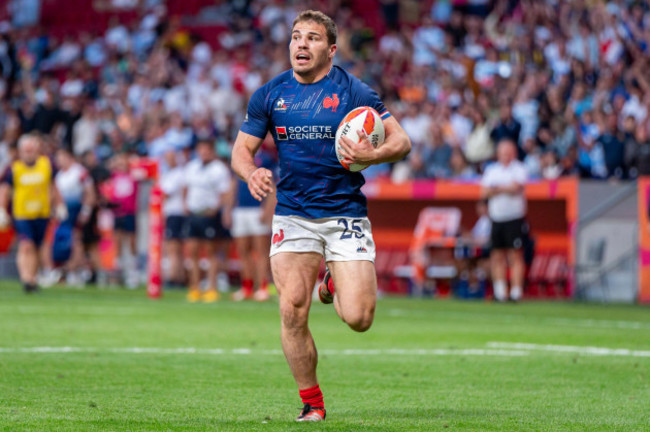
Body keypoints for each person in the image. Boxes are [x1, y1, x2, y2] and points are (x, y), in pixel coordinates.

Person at [231, 10, 410, 422]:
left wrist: (372, 154)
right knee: (292, 306)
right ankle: (312, 403)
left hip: (344, 213)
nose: (301, 44)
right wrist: (251, 171)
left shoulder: (353, 91)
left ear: (330, 50)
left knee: (359, 318)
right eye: (296, 37)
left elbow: (401, 141)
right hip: (293, 214)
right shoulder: (270, 94)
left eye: (311, 38)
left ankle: (331, 280)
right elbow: (241, 150)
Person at [0, 134, 67, 293]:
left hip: (41, 212)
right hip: (22, 213)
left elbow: (52, 186)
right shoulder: (14, 168)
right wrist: (2, 210)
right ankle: (26, 279)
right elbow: (5, 191)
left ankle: (33, 278)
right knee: (26, 245)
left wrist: (59, 204)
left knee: (38, 247)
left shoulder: (46, 165)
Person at [183, 139, 232, 303]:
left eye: (206, 150)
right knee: (193, 251)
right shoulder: (192, 167)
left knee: (211, 252)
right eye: (201, 150)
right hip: (194, 213)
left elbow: (224, 192)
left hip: (209, 215)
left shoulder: (219, 169)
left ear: (212, 151)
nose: (203, 153)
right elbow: (186, 187)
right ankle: (195, 287)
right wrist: (185, 203)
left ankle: (211, 288)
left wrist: (216, 208)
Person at [480, 138, 529, 302]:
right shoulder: (492, 170)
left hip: (514, 218)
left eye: (508, 152)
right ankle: (500, 292)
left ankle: (516, 292)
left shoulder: (519, 168)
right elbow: (484, 192)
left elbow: (516, 187)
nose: (505, 155)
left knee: (515, 255)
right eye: (503, 152)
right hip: (497, 218)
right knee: (497, 255)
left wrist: (497, 188)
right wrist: (504, 188)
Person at [230, 144, 276, 302]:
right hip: (241, 209)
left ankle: (262, 286)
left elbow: (272, 185)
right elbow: (234, 184)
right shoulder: (238, 158)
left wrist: (267, 209)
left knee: (261, 250)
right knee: (243, 250)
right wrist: (230, 208)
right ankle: (247, 286)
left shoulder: (265, 159)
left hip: (257, 207)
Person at [53, 147, 96, 285]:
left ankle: (74, 270)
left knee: (77, 241)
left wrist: (86, 211)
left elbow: (90, 192)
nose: (59, 160)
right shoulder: (59, 175)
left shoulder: (79, 172)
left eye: (62, 157)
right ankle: (69, 269)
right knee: (64, 242)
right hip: (64, 212)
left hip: (76, 210)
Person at [159, 149, 186, 287]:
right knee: (175, 247)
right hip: (172, 213)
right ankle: (179, 276)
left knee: (172, 247)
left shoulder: (177, 174)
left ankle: (174, 276)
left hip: (175, 213)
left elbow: (164, 193)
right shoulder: (170, 174)